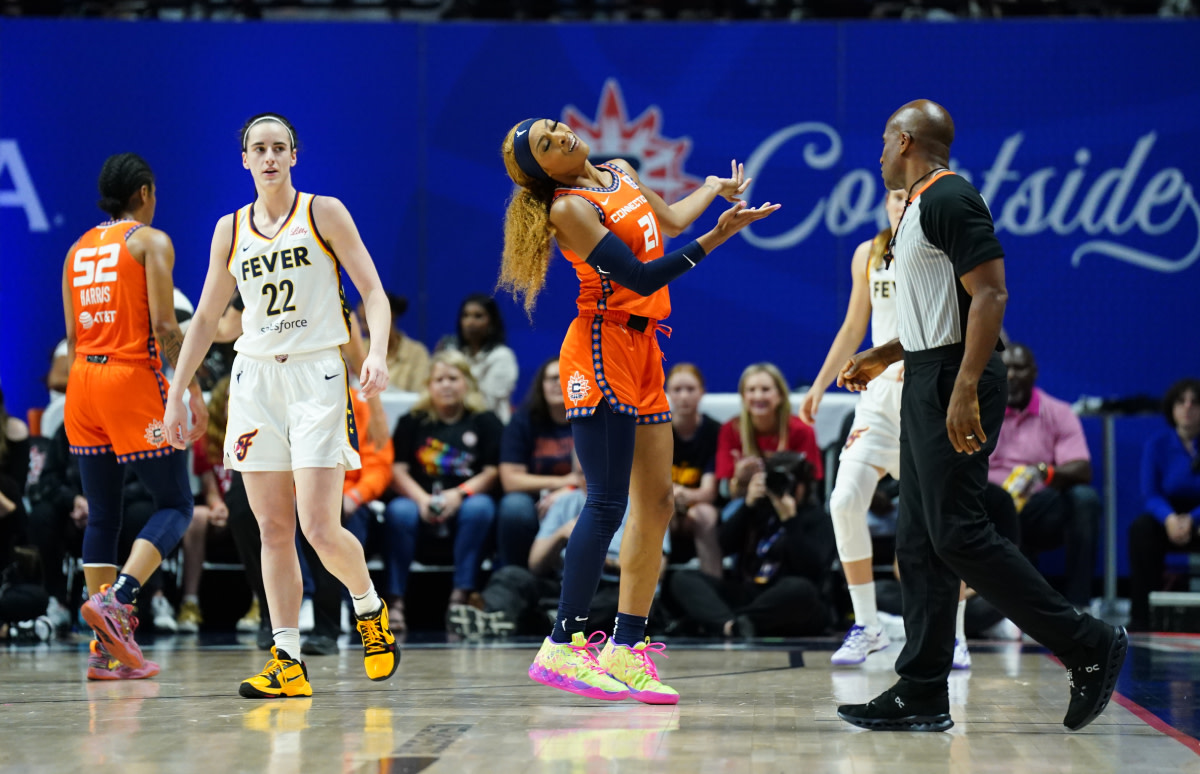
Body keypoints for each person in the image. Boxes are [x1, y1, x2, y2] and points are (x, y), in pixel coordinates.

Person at [834, 100, 1125, 733]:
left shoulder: (949, 197)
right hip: (925, 373)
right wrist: (884, 354)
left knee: (958, 533)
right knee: (920, 542)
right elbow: (938, 311)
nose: (878, 152)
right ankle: (922, 689)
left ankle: (1086, 643)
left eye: (884, 140)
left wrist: (964, 385)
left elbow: (991, 294)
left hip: (952, 377)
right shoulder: (913, 211)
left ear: (906, 141)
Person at [497, 115, 779, 703]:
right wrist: (718, 238)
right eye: (548, 145)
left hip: (646, 345)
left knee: (659, 501)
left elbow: (671, 219)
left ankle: (625, 649)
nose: (562, 137)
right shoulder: (568, 209)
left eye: (556, 128)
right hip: (600, 346)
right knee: (605, 501)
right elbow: (641, 274)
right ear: (542, 173)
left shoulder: (618, 172)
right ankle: (563, 644)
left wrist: (711, 192)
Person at [162, 113, 398, 698]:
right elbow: (206, 320)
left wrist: (377, 353)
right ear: (244, 160)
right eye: (257, 149)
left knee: (318, 527)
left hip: (317, 372)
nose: (268, 158)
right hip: (254, 380)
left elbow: (372, 289)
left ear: (295, 154)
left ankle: (369, 608)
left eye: (278, 148)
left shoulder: (324, 212)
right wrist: (175, 390)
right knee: (271, 527)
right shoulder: (230, 229)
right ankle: (287, 659)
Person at [62, 153, 206, 681]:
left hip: (83, 381)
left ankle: (105, 650)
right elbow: (167, 324)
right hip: (130, 379)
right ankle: (120, 600)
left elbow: (75, 339)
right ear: (144, 191)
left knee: (103, 515)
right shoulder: (150, 241)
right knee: (175, 502)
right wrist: (192, 389)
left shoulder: (76, 250)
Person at [386, 349, 501, 632]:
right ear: (429, 385)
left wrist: (458, 494)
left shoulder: (485, 421)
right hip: (419, 500)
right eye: (439, 379)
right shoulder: (412, 421)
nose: (446, 385)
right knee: (398, 511)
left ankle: (460, 598)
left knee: (480, 507)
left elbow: (493, 471)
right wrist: (422, 499)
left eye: (453, 378)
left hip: (464, 499)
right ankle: (394, 600)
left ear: (467, 384)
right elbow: (396, 470)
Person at [668, 451, 833, 638]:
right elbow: (725, 545)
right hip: (750, 592)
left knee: (801, 590)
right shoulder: (758, 509)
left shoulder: (818, 518)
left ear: (803, 486)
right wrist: (747, 506)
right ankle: (733, 625)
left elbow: (812, 569)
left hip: (787, 600)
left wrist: (790, 521)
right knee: (683, 578)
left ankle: (729, 622)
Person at [989, 343, 1099, 608]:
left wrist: (1043, 472)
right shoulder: (979, 409)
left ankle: (1078, 606)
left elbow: (1081, 469)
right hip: (987, 505)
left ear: (1034, 372)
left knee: (1085, 499)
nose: (1012, 375)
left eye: (1019, 368)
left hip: (1035, 508)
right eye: (1005, 368)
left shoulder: (1058, 412)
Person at [1127, 377, 1200, 631]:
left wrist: (1193, 519)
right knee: (1141, 530)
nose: (1188, 407)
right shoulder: (1157, 445)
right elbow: (1151, 494)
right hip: (1168, 516)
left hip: (1197, 517)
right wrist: (1170, 519)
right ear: (1172, 408)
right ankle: (1141, 618)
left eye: (1195, 402)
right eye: (1181, 401)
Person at [496, 356, 581, 569]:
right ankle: (515, 575)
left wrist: (569, 489)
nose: (558, 383)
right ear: (541, 385)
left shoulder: (591, 419)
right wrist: (564, 483)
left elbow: (601, 475)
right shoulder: (523, 420)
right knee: (513, 507)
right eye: (552, 378)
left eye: (565, 377)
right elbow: (511, 480)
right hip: (534, 501)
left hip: (582, 496)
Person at [716, 363, 824, 513]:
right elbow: (726, 492)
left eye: (765, 390)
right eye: (751, 390)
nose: (758, 396)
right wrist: (738, 479)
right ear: (743, 396)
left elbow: (811, 483)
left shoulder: (802, 430)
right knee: (728, 517)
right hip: (747, 500)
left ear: (780, 395)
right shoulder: (731, 430)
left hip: (791, 501)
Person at [665, 363, 721, 579]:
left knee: (704, 513)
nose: (684, 396)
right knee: (656, 511)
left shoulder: (714, 431)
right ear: (668, 393)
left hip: (697, 509)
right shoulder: (654, 431)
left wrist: (681, 494)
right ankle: (651, 591)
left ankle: (714, 585)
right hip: (663, 506)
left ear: (702, 392)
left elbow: (709, 492)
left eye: (690, 389)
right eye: (677, 390)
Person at [435, 293, 519, 422]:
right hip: (456, 425)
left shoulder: (502, 356)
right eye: (465, 316)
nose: (470, 322)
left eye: (478, 316)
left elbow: (487, 403)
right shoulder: (455, 353)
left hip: (490, 427)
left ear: (492, 322)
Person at [371, 291, 430, 393]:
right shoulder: (361, 349)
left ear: (390, 316)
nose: (364, 327)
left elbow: (420, 395)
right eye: (362, 320)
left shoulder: (417, 353)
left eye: (369, 320)